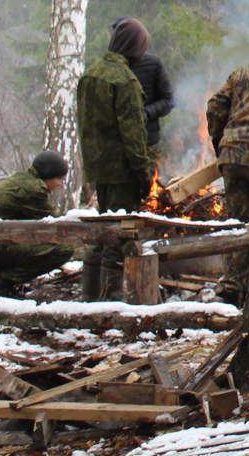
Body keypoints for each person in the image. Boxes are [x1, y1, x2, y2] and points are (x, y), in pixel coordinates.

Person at [77, 17, 154, 300]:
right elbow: (133, 134)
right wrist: (143, 172)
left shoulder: (91, 74)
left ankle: (89, 298)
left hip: (97, 169)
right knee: (118, 237)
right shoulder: (125, 81)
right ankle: (110, 302)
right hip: (121, 172)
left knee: (99, 232)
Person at [206, 49, 249, 298]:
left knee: (241, 223)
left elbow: (215, 106)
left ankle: (235, 286)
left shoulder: (244, 72)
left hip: (232, 153)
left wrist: (220, 140)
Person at [0, 151, 75, 298]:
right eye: (59, 179)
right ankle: (1, 282)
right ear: (48, 174)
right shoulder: (33, 190)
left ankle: (1, 281)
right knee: (63, 249)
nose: (60, 184)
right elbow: (57, 224)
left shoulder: (23, 180)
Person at [110, 16, 174, 169]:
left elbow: (168, 100)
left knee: (149, 188)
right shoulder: (109, 68)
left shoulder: (152, 64)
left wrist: (146, 114)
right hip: (117, 146)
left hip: (147, 142)